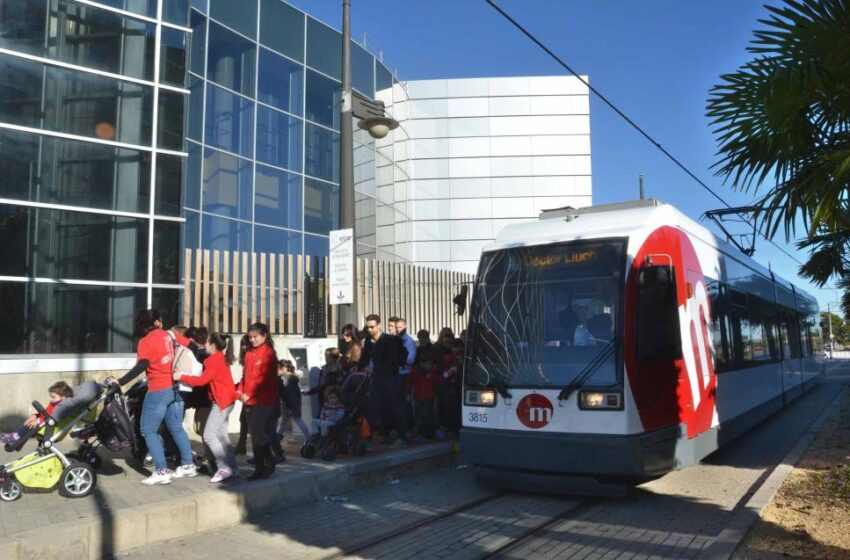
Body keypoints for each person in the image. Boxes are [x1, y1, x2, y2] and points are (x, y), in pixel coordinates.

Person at [109, 309, 197, 485]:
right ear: (156, 322)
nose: (162, 322)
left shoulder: (145, 342)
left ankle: (161, 471)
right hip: (177, 389)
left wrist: (120, 381)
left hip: (158, 389)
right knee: (176, 427)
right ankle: (188, 464)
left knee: (148, 430)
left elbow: (142, 365)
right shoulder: (170, 335)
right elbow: (193, 347)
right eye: (160, 319)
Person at [174, 332, 239, 483]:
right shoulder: (219, 356)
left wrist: (181, 377)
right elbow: (195, 347)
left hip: (221, 402)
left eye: (207, 343)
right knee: (222, 437)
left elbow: (202, 381)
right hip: (227, 400)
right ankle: (233, 468)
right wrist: (176, 336)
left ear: (213, 345)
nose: (204, 345)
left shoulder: (214, 360)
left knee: (209, 435)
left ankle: (223, 468)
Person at [237, 322, 279, 480]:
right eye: (250, 337)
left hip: (264, 399)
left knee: (256, 430)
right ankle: (264, 463)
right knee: (254, 433)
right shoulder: (248, 354)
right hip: (248, 399)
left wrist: (249, 393)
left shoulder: (268, 354)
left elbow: (264, 380)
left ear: (264, 336)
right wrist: (240, 390)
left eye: (255, 337)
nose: (252, 340)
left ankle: (265, 463)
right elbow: (245, 377)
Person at [359, 314, 406, 446]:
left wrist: (375, 369)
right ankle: (385, 433)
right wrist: (359, 367)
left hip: (391, 378)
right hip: (377, 379)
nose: (369, 330)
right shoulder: (369, 341)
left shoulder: (388, 340)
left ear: (379, 325)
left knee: (396, 406)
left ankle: (401, 436)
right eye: (367, 327)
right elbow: (365, 356)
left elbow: (393, 362)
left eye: (372, 327)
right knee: (377, 406)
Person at [1, 381, 74, 450]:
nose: (51, 399)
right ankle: (16, 441)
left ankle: (14, 438)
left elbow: (53, 416)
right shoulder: (54, 403)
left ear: (63, 397)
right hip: (47, 422)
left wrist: (38, 420)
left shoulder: (63, 406)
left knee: (31, 425)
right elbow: (46, 413)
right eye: (50, 396)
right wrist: (36, 416)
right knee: (29, 422)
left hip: (51, 427)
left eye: (53, 397)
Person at [404, 359, 441, 442]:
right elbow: (409, 382)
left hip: (428, 397)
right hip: (419, 397)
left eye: (430, 364)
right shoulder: (415, 372)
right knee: (419, 416)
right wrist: (407, 393)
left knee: (427, 415)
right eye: (428, 364)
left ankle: (428, 434)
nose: (429, 366)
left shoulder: (431, 371)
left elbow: (436, 381)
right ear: (422, 363)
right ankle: (423, 434)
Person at [276, 359, 310, 442]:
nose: (276, 370)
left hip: (288, 403)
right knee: (286, 421)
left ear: (284, 368)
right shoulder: (292, 377)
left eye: (277, 368)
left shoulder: (284, 378)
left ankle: (308, 439)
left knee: (293, 420)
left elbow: (282, 391)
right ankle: (276, 440)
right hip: (293, 402)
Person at [304, 348, 343, 414]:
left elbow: (326, 385)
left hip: (332, 399)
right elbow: (321, 384)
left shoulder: (336, 370)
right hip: (324, 396)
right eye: (325, 355)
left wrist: (310, 392)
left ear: (333, 358)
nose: (325, 358)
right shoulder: (325, 368)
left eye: (327, 356)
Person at [234, 334, 251, 456]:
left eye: (246, 344)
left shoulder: (253, 357)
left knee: (253, 424)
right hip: (245, 394)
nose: (244, 347)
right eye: (242, 345)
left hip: (253, 395)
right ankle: (241, 445)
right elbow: (244, 378)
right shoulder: (245, 358)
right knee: (243, 420)